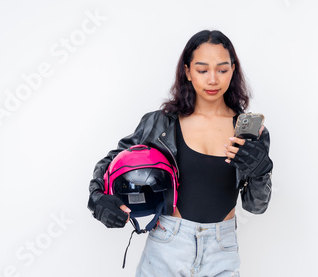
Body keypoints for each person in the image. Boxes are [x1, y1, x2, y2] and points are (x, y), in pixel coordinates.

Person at [87, 30, 273, 276]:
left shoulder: (251, 132)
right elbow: (112, 162)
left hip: (222, 249)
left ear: (233, 70)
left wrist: (262, 171)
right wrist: (97, 198)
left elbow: (255, 206)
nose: (213, 79)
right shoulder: (161, 123)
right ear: (187, 71)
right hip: (168, 244)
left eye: (222, 69)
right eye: (202, 69)